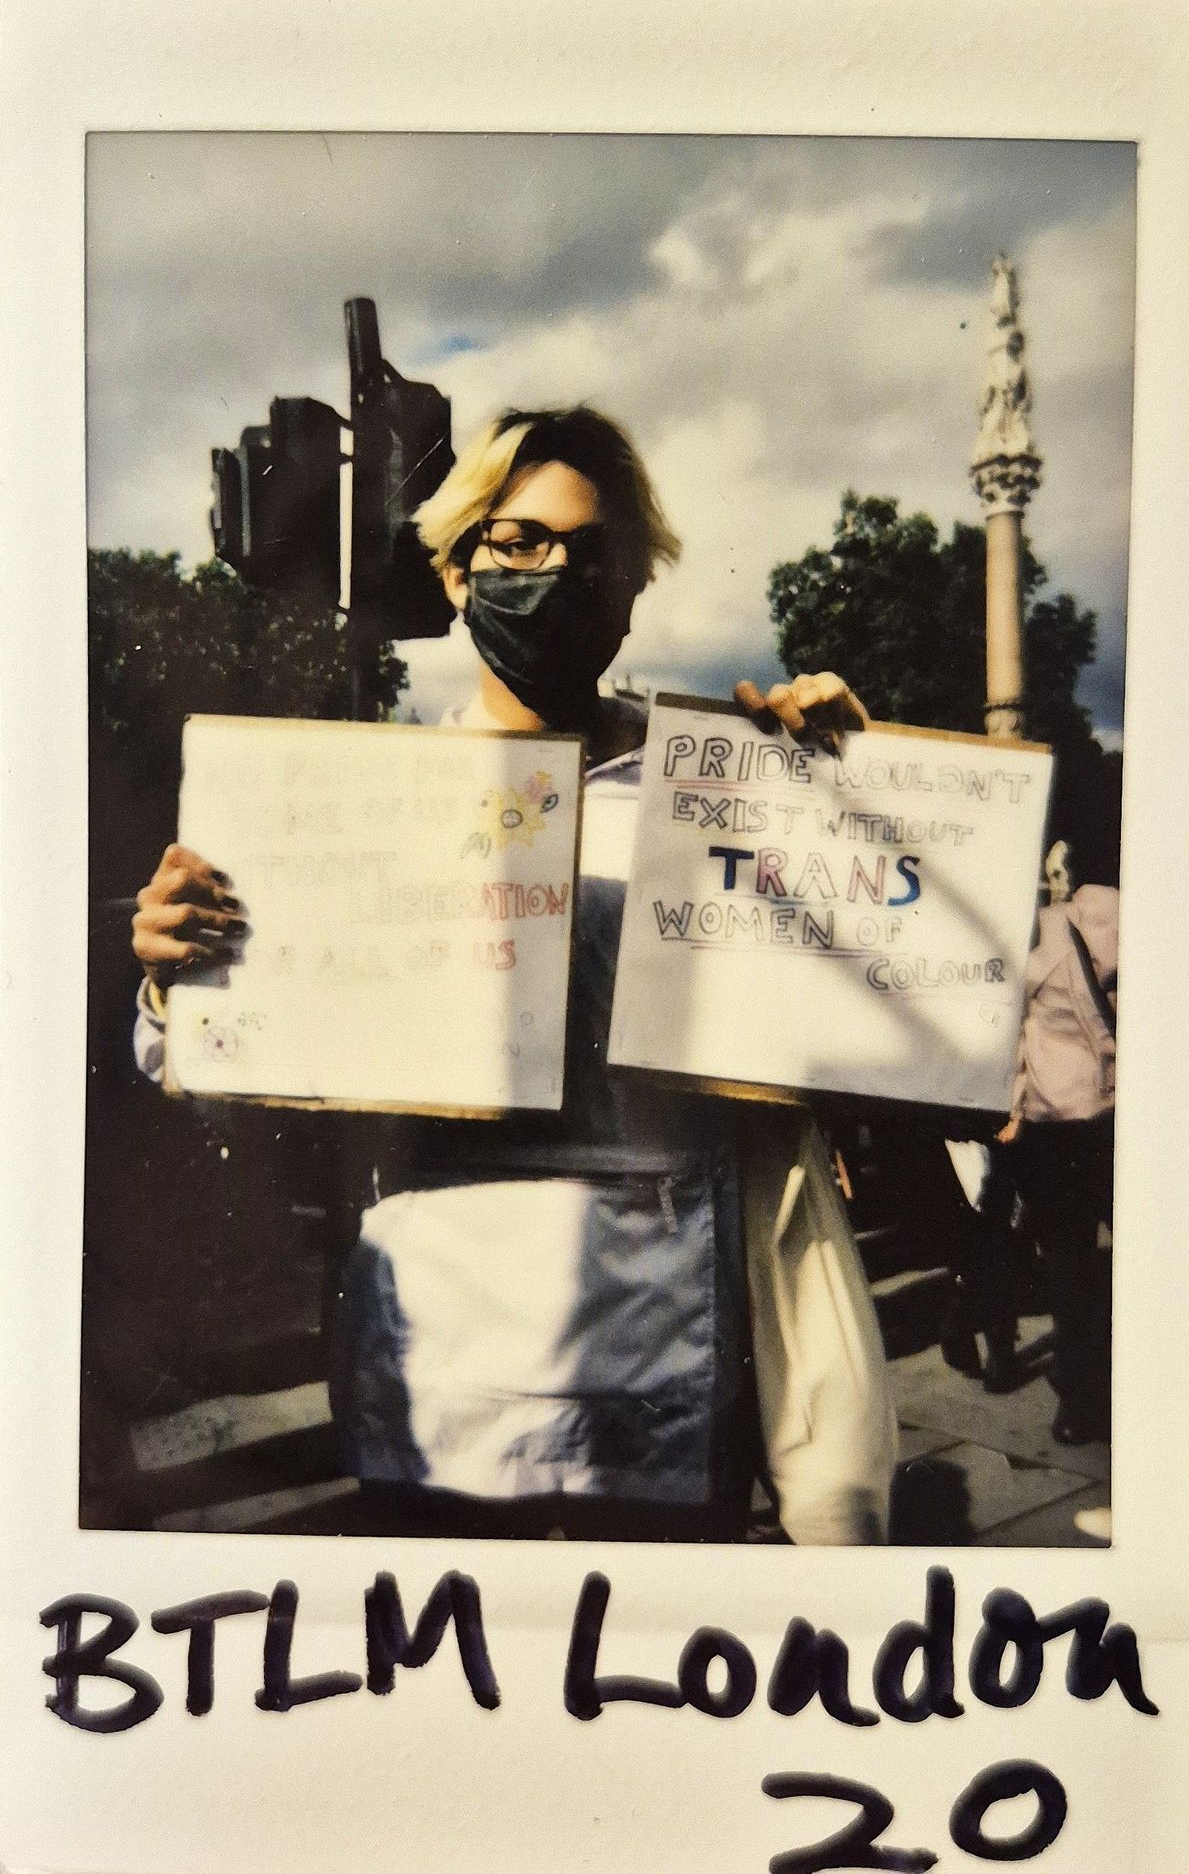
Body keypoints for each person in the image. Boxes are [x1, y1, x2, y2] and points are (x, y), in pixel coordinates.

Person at [132, 405, 897, 1542]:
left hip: (667, 1385)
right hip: (435, 1386)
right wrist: (174, 969)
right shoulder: (353, 807)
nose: (561, 575)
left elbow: (876, 1014)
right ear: (455, 570)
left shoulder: (720, 790)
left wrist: (858, 802)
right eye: (523, 540)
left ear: (637, 585)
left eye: (600, 553)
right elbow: (202, 1059)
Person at [994, 838, 1117, 1444]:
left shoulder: (1034, 932)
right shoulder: (1125, 916)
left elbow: (1018, 1038)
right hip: (1123, 1118)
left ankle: (1081, 1400)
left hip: (1055, 1122)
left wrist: (1013, 1111)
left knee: (1069, 1270)